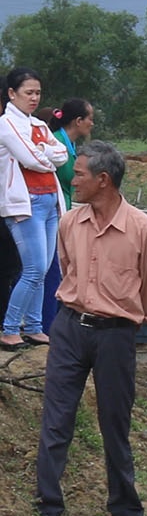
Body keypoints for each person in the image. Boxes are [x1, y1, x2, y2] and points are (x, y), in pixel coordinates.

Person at [34, 141, 147, 516]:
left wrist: (133, 315)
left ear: (103, 180)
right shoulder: (69, 224)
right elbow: (66, 267)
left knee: (115, 421)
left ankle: (125, 513)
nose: (72, 181)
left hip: (115, 335)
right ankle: (48, 507)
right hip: (69, 327)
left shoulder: (145, 232)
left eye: (79, 175)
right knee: (57, 417)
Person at [1, 68, 67, 349]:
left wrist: (42, 152)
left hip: (50, 199)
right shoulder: (6, 123)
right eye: (28, 92)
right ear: (12, 94)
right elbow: (31, 159)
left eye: (37, 92)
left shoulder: (38, 126)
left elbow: (61, 153)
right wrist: (44, 154)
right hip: (25, 204)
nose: (34, 98)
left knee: (43, 267)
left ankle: (35, 325)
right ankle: (9, 328)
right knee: (34, 268)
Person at [40, 98, 93, 331]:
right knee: (51, 268)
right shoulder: (59, 143)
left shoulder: (68, 146)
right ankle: (46, 323)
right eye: (89, 118)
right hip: (51, 212)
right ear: (78, 121)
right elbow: (68, 179)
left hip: (61, 211)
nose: (92, 124)